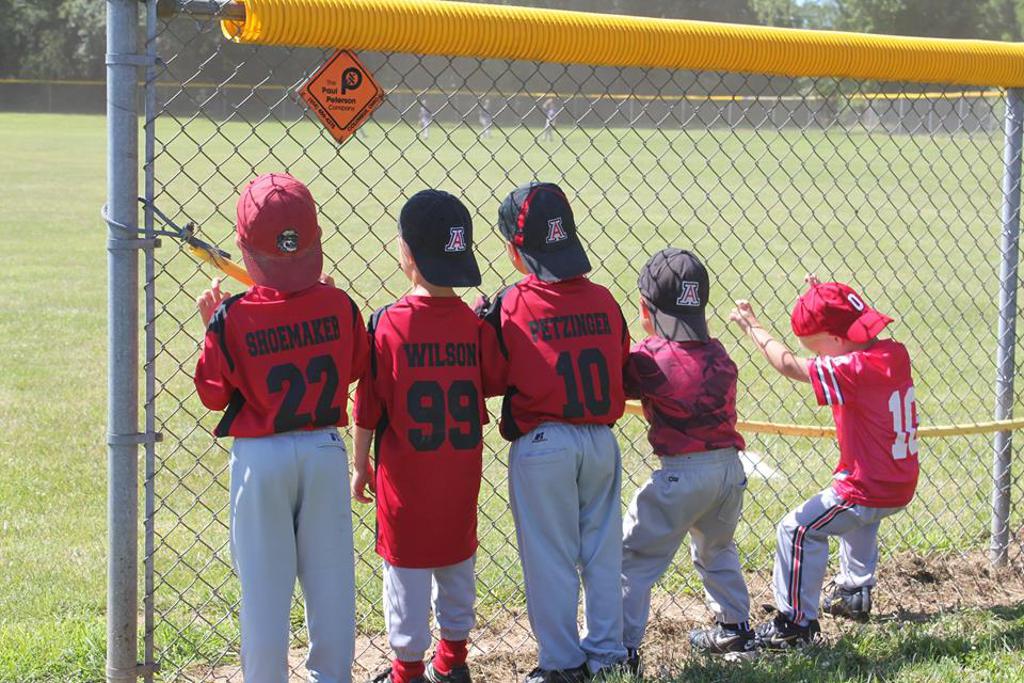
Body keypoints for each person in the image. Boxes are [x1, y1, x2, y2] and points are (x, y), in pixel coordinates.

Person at [194, 172, 367, 683]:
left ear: (246, 250)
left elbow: (213, 394)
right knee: (331, 586)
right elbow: (355, 366)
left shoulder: (231, 316)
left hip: (261, 459)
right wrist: (319, 308)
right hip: (324, 452)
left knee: (265, 594)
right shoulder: (340, 304)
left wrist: (212, 328)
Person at [478, 182, 630, 683]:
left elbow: (492, 378)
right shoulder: (605, 300)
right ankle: (608, 654)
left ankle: (563, 663)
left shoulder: (511, 303)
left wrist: (481, 323)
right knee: (602, 553)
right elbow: (621, 365)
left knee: (550, 559)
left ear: (514, 250)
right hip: (601, 440)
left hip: (544, 444)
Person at [353, 189, 500, 683]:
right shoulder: (473, 325)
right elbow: (493, 379)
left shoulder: (389, 325)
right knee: (457, 573)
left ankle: (408, 672)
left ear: (408, 255)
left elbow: (367, 409)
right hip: (459, 488)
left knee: (406, 584)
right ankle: (453, 664)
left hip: (406, 495)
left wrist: (359, 464)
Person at [730, 275, 920, 648]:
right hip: (899, 480)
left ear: (836, 342)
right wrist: (822, 298)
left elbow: (788, 365)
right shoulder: (894, 353)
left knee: (797, 529)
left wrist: (753, 326)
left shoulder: (851, 369)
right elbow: (842, 329)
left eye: (817, 348)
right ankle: (853, 590)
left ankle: (795, 625)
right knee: (859, 520)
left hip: (867, 486)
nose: (817, 357)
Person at [619, 249, 753, 674]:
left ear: (645, 309)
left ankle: (622, 650)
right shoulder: (719, 355)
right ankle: (734, 627)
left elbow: (620, 383)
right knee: (717, 548)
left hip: (682, 475)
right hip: (729, 471)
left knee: (631, 559)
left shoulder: (649, 357)